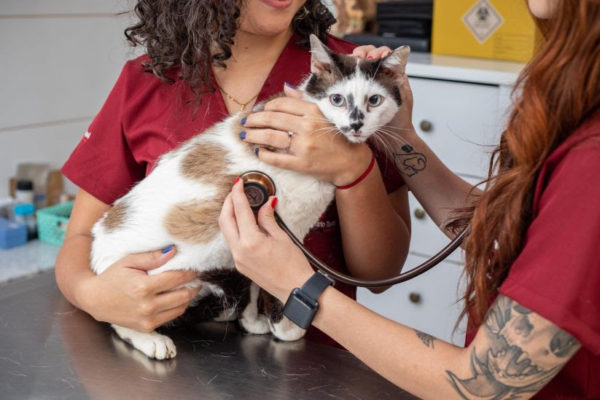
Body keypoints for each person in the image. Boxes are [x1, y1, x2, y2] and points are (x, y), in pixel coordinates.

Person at [219, 0, 600, 397]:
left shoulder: (591, 158)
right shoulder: (577, 99)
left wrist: (297, 285)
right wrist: (400, 136)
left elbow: (487, 386)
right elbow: (510, 237)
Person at [55, 0, 411, 347]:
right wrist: (92, 295)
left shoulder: (360, 76)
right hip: (171, 365)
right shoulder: (146, 79)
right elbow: (80, 237)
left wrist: (352, 167)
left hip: (314, 363)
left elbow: (380, 273)